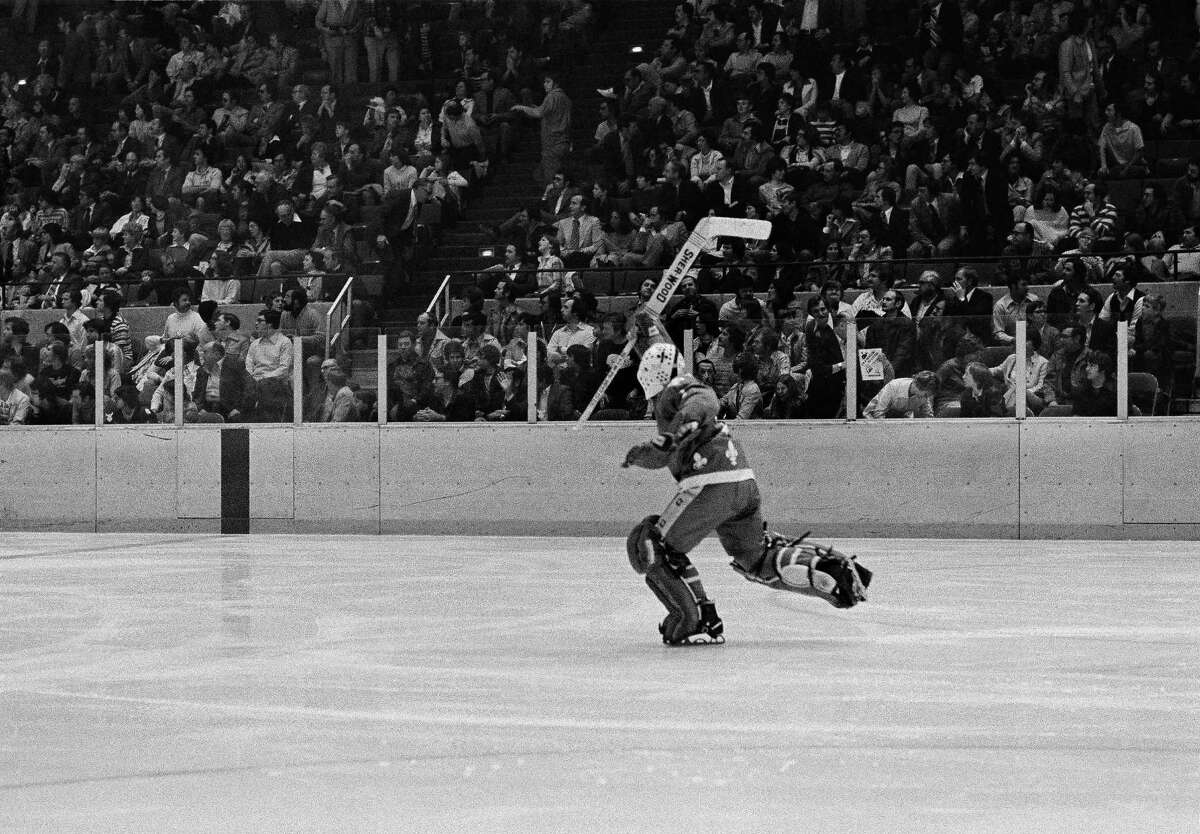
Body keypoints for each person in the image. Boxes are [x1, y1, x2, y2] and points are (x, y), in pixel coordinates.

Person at [621, 341, 871, 646]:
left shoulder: (678, 388)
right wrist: (642, 454)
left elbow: (705, 401)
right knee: (755, 557)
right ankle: (822, 569)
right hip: (741, 482)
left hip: (710, 481)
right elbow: (665, 451)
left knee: (651, 546)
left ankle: (697, 619)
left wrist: (674, 433)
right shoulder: (673, 412)